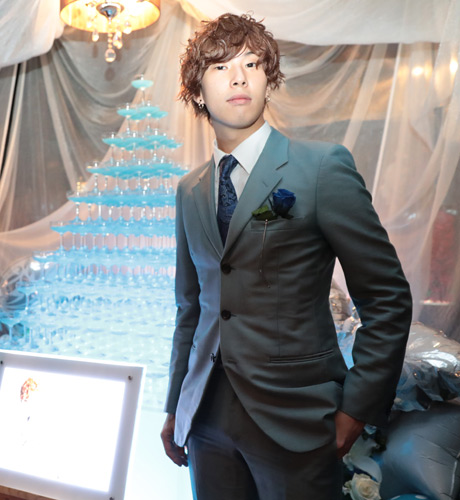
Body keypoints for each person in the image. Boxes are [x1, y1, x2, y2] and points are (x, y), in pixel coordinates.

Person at [160, 13, 412, 500]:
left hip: (296, 420)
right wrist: (175, 405)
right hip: (205, 416)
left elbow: (387, 298)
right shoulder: (189, 190)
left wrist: (356, 408)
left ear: (268, 79)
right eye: (220, 67)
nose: (239, 77)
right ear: (197, 91)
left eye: (252, 64)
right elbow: (191, 309)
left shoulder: (321, 167)